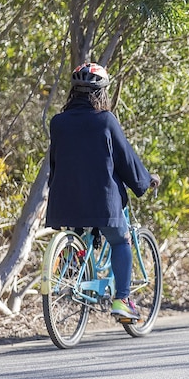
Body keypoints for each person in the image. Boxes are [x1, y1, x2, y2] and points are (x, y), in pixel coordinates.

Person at [46, 62, 160, 321]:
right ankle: (122, 299)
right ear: (101, 93)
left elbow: (55, 163)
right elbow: (126, 160)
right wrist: (145, 181)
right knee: (120, 240)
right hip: (101, 204)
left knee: (81, 231)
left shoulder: (58, 122)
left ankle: (73, 270)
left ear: (73, 92)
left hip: (65, 202)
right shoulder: (105, 120)